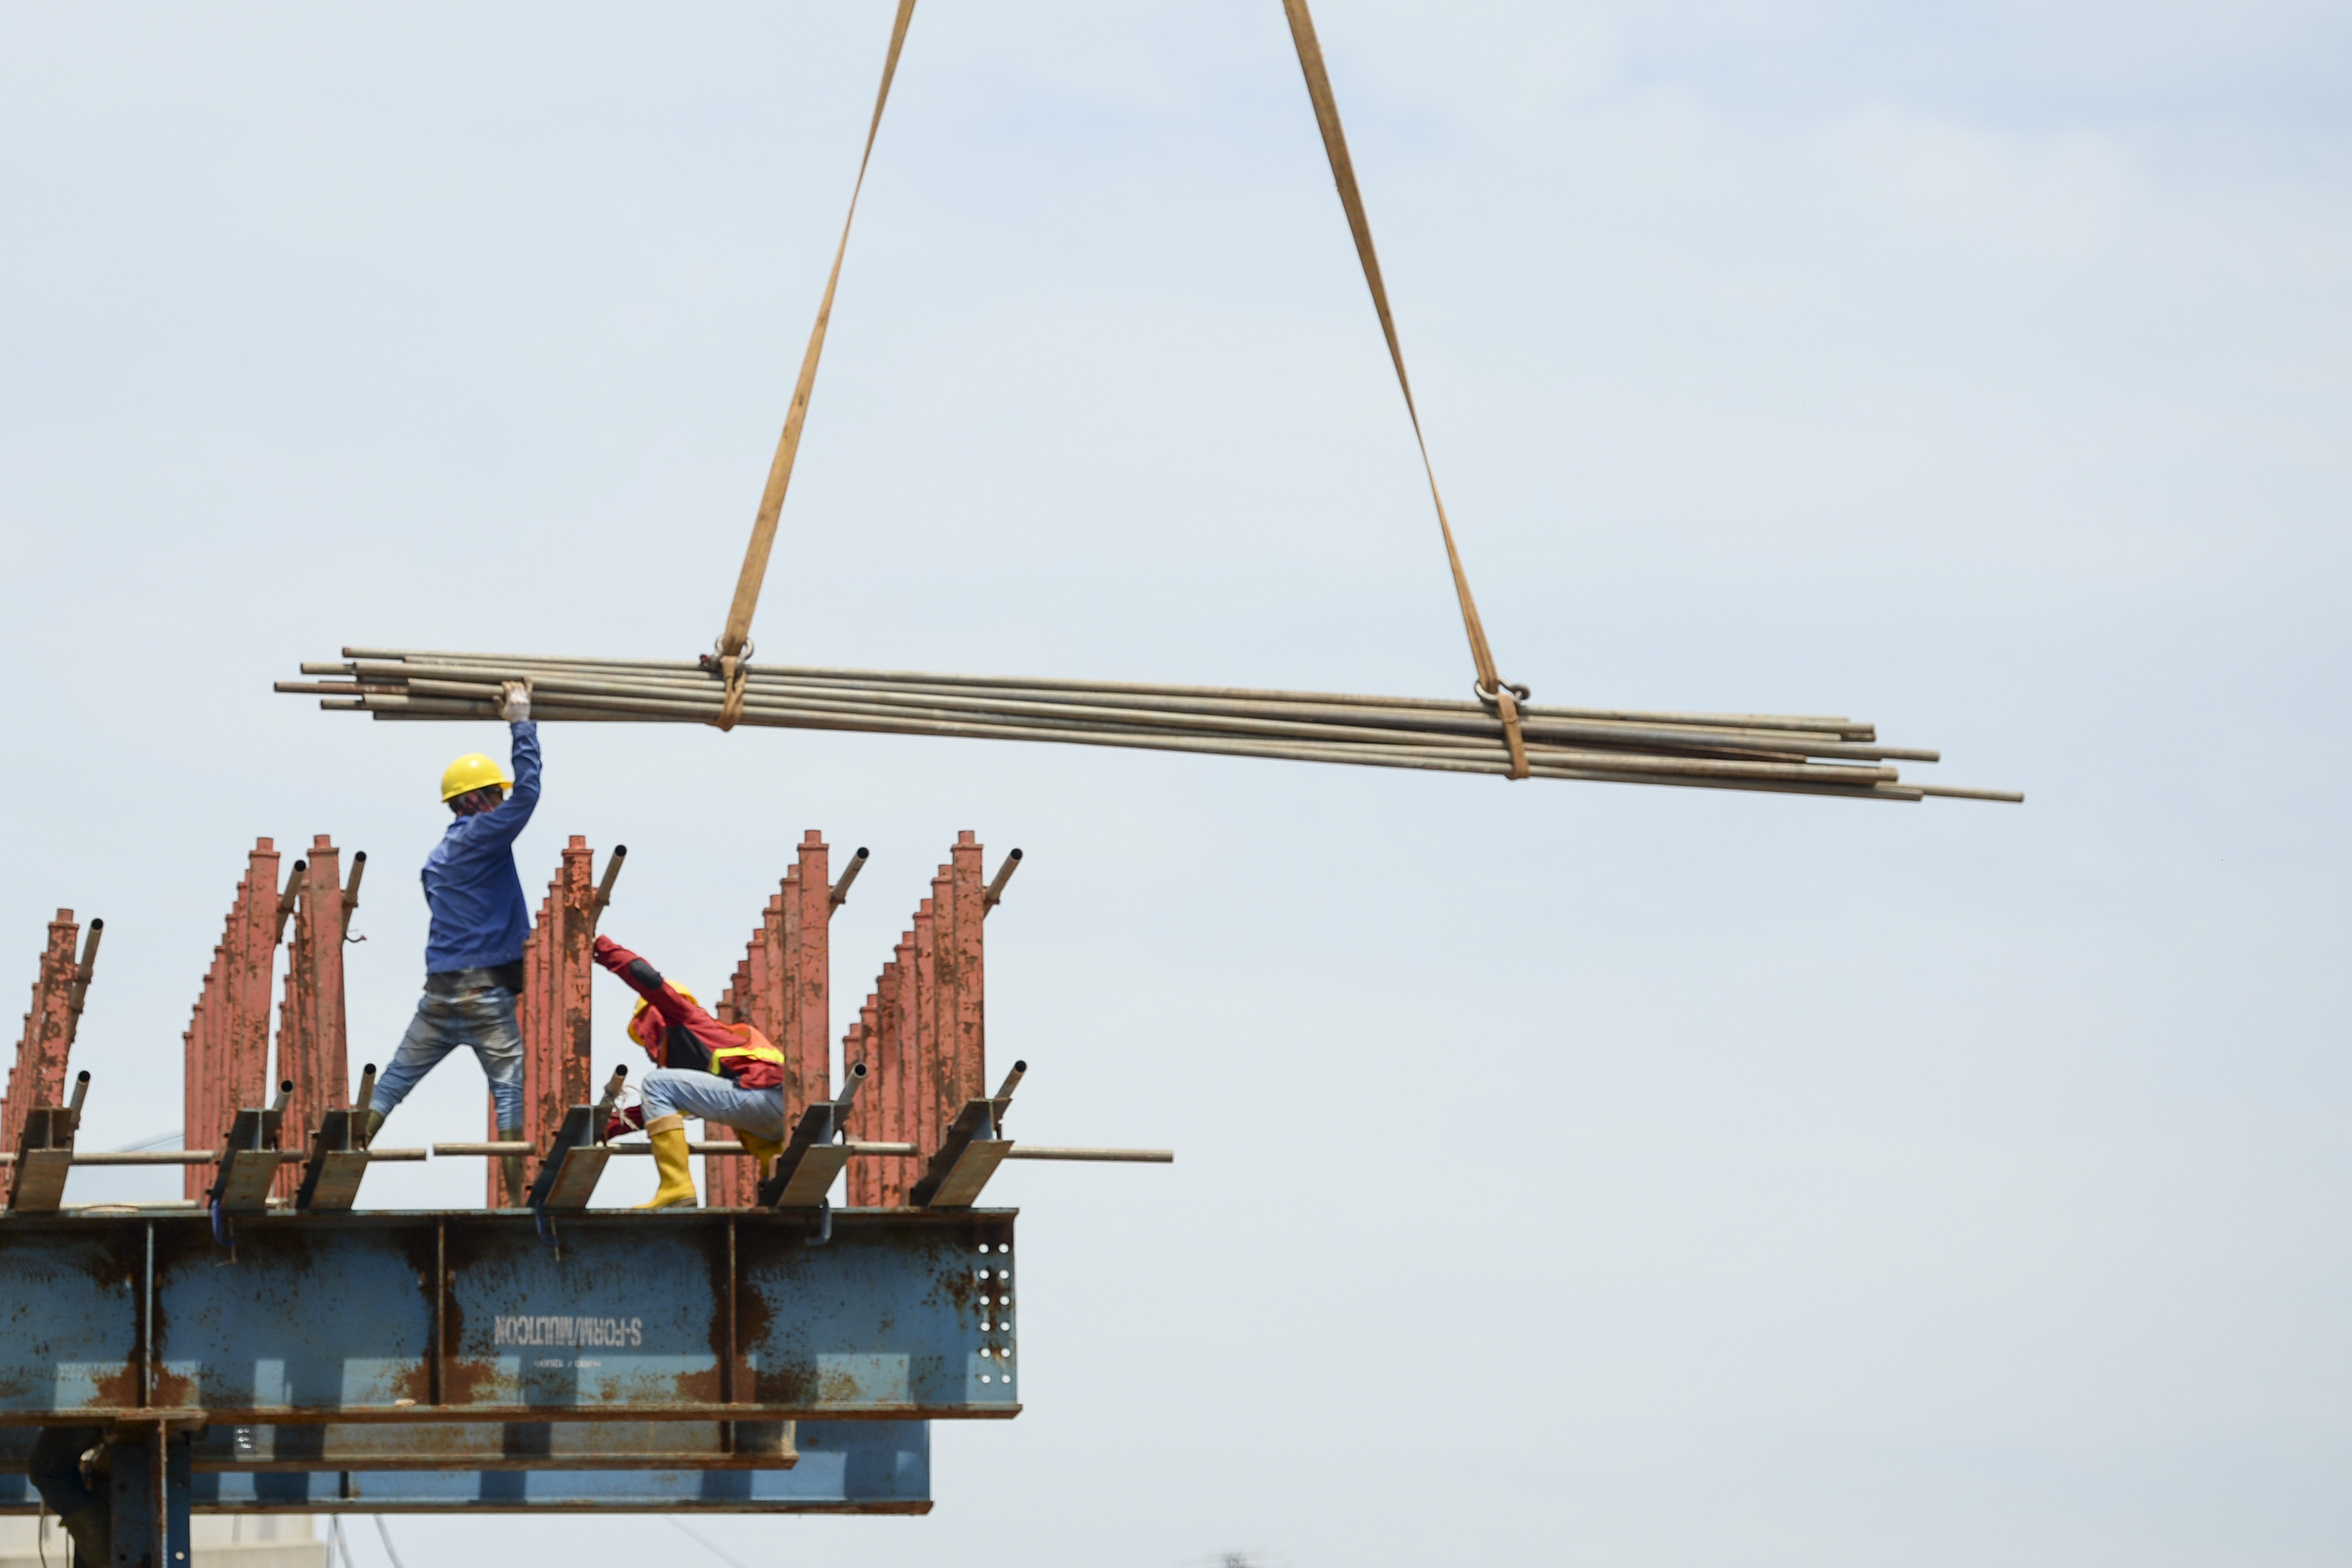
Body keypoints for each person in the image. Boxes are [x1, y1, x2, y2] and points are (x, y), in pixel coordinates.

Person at [366, 680, 539, 1203]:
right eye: (495, 795)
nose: (502, 804)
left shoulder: (437, 859)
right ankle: (514, 1202)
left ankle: (341, 1161)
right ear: (473, 800)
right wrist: (521, 721)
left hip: (440, 993)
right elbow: (529, 793)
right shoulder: (481, 836)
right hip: (484, 992)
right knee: (509, 1089)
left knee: (392, 1083)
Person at [592, 932, 787, 1209]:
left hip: (760, 1096)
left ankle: (676, 1187)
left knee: (656, 1083)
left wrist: (600, 949)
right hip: (780, 1114)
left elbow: (648, 980)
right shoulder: (706, 1049)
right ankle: (775, 1179)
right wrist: (604, 1128)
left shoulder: (687, 1018)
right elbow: (655, 1113)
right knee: (667, 1093)